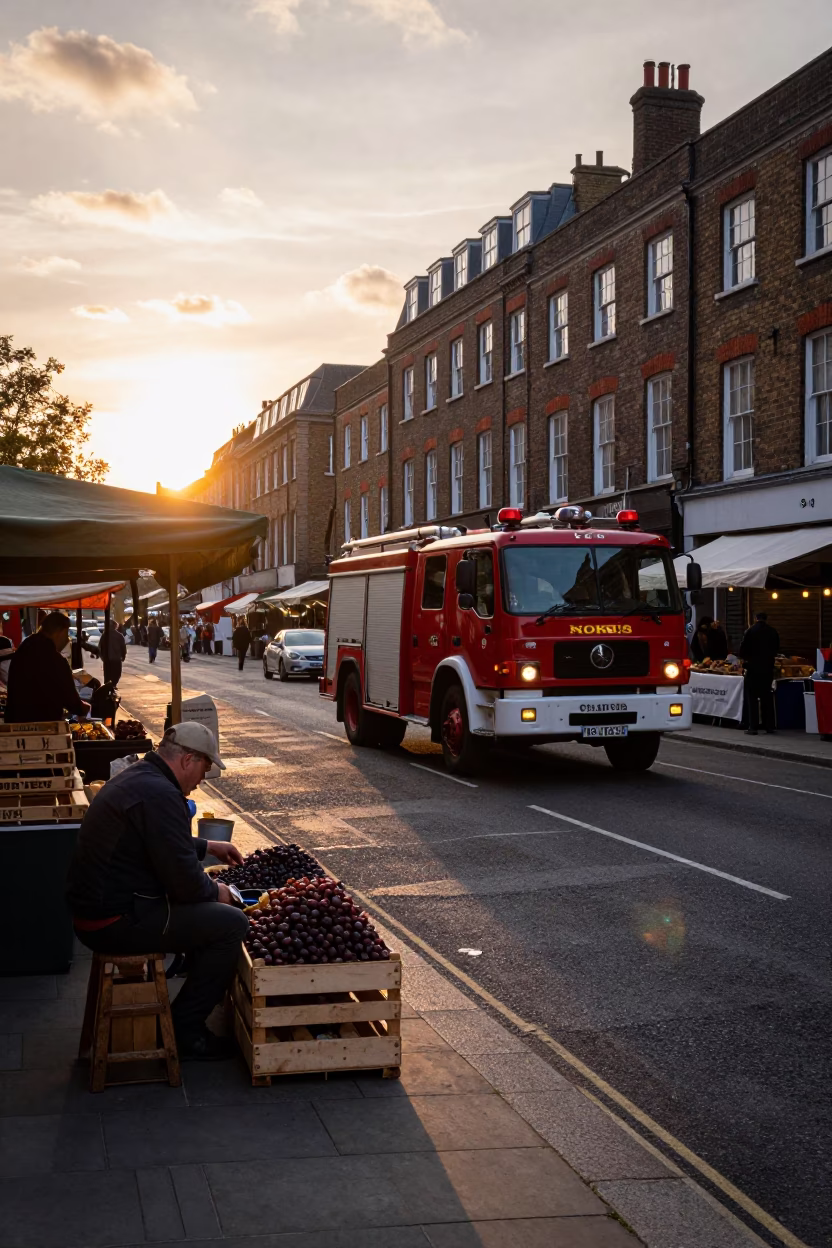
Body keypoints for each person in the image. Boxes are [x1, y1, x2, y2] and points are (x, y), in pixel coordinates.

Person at [67, 722, 248, 1059]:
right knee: (230, 924)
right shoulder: (162, 794)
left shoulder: (139, 777)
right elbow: (187, 886)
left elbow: (154, 842)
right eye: (204, 770)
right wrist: (217, 891)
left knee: (207, 916)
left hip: (98, 910)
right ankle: (186, 1031)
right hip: (115, 921)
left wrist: (205, 845)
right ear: (188, 760)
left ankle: (188, 1009)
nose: (201, 781)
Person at [4, 610, 90, 723]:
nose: (67, 639)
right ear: (60, 631)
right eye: (67, 633)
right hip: (43, 727)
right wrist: (85, 708)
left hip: (15, 722)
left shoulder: (23, 650)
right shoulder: (55, 660)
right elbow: (71, 701)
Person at [739, 611, 780, 734]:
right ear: (766, 619)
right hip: (767, 669)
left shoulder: (750, 631)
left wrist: (747, 661)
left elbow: (742, 651)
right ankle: (769, 726)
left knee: (752, 699)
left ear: (755, 618)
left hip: (753, 669)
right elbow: (776, 649)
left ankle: (753, 726)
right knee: (766, 697)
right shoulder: (773, 632)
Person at [101, 619, 127, 686]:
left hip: (107, 659)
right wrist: (123, 655)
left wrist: (102, 656)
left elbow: (100, 647)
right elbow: (123, 647)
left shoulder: (104, 635)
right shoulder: (119, 636)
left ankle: (108, 687)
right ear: (115, 626)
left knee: (107, 675)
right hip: (116, 659)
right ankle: (113, 686)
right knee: (116, 674)